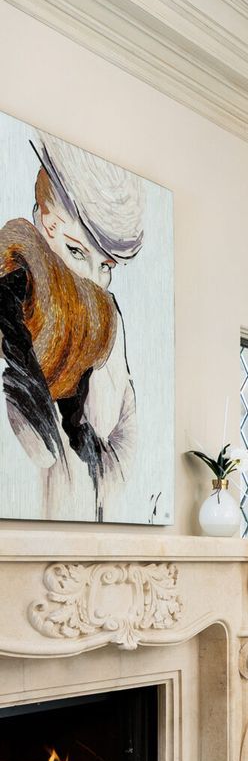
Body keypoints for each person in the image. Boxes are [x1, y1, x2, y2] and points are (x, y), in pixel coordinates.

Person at [0, 133, 142, 519]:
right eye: (76, 251)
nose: (95, 281)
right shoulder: (15, 298)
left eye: (107, 267)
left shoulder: (103, 321)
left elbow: (115, 432)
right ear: (43, 221)